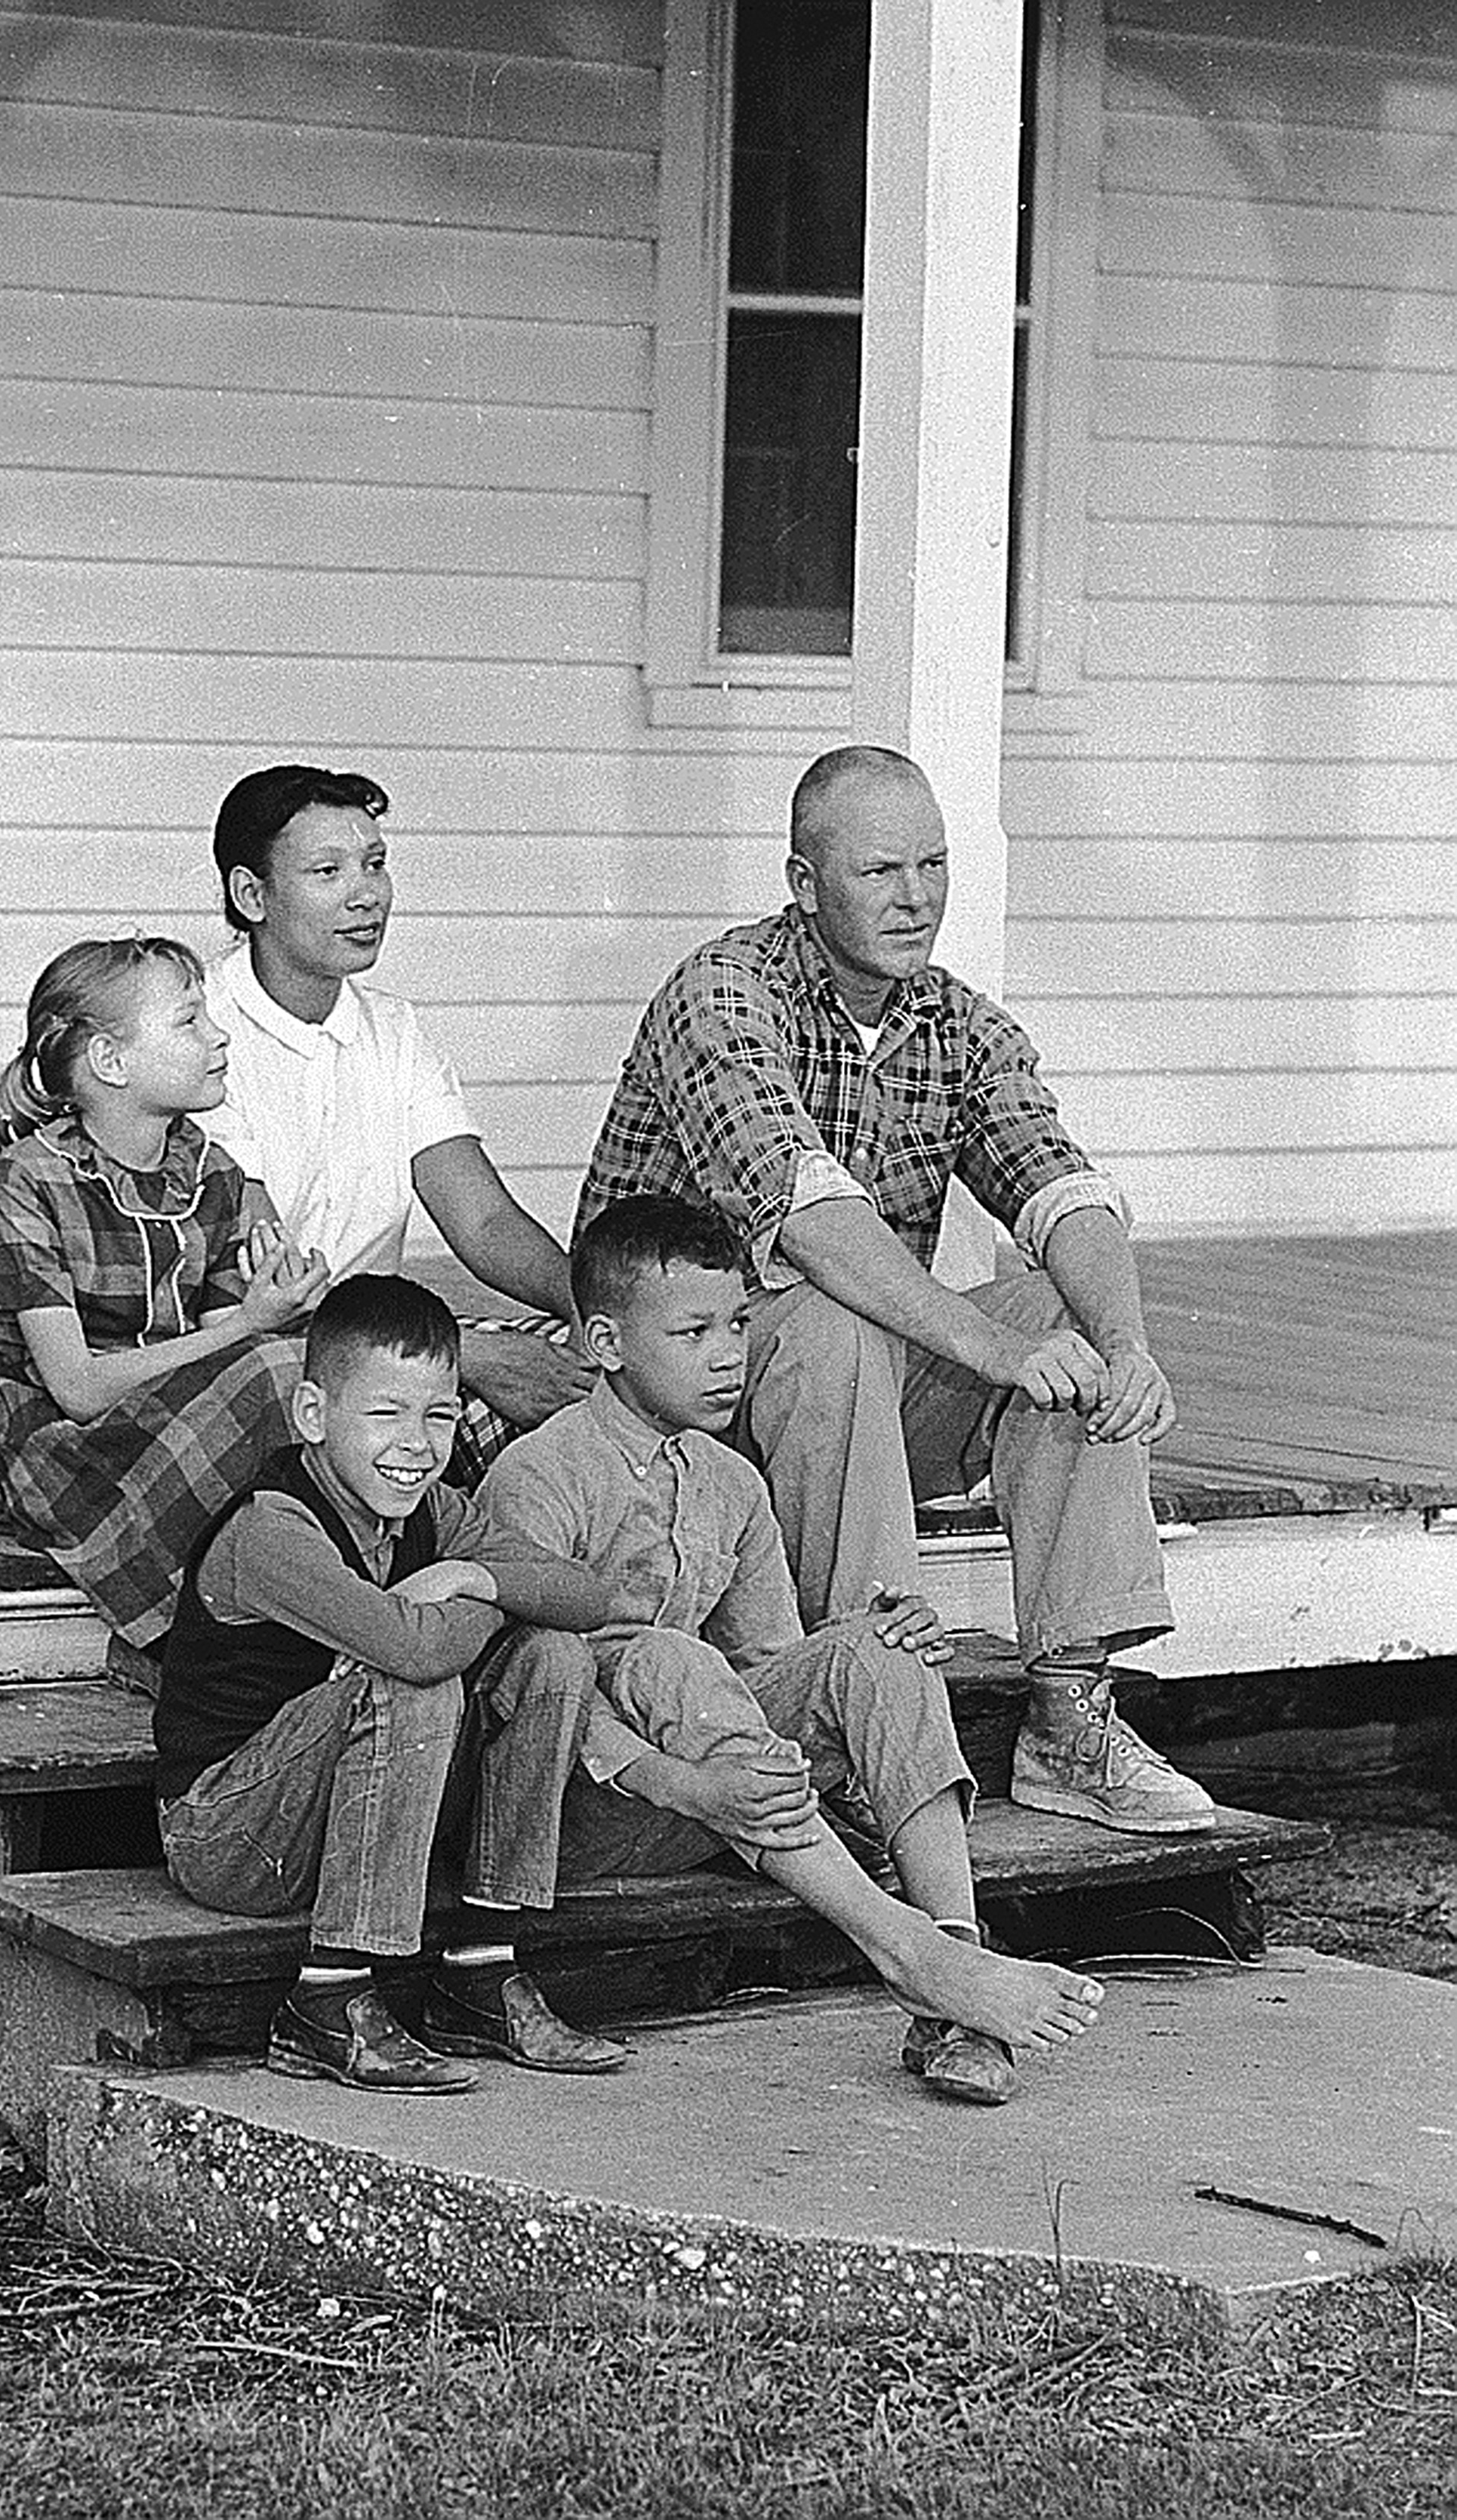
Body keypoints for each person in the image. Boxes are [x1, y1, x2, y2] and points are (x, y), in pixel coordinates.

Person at [578, 746, 1215, 1838]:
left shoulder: (956, 1022)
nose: (913, 896)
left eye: (931, 864)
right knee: (834, 1317)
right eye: (878, 871)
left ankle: (1067, 1716)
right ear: (801, 879)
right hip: (671, 1413)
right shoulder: (722, 994)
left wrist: (1125, 1343)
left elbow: (1062, 1188)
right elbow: (809, 1222)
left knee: (1069, 1323)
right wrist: (991, 1350)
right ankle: (873, 1722)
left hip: (845, 1414)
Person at [477, 1197, 1105, 2105]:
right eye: (692, 1331)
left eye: (737, 1321)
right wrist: (675, 1778)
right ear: (605, 1343)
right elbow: (520, 1683)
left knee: (879, 1647)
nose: (729, 1352)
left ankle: (954, 1981)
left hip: (721, 1795)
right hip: (581, 1805)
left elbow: (768, 1670)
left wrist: (864, 1650)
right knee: (662, 1659)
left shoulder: (730, 1481)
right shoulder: (539, 1474)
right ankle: (907, 1951)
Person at [154, 1273, 628, 2093]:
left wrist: (463, 1576)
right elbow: (411, 1653)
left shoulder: (431, 1515)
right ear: (313, 1415)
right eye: (384, 1413)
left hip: (348, 1822)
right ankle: (328, 1997)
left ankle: (481, 1966)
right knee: (413, 1683)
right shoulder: (271, 1527)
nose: (415, 1442)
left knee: (553, 1653)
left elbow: (586, 1594)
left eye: (437, 1414)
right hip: (230, 1834)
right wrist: (474, 1596)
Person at [199, 762, 590, 1472]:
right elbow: (264, 1284)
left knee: (608, 1374)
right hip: (251, 1350)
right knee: (471, 1392)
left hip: (376, 1344)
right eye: (328, 872)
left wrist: (595, 1312)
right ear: (251, 895)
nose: (366, 895)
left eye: (374, 864)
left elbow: (483, 1222)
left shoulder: (393, 1030)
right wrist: (462, 1353)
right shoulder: (197, 1032)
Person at [0, 936, 327, 1655]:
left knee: (326, 1374)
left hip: (177, 1424)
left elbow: (237, 1344)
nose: (218, 1035)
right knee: (279, 1373)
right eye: (189, 1021)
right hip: (71, 1450)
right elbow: (76, 1387)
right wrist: (256, 1329)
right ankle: (201, 1640)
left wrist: (275, 1308)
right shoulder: (28, 1181)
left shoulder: (213, 1171)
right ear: (110, 1061)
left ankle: (304, 1609)